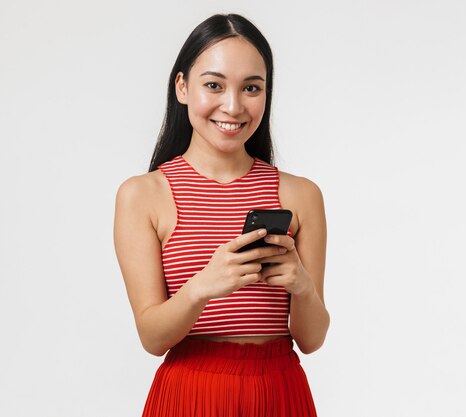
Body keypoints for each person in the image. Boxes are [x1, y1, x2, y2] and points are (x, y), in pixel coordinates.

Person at [114, 13, 330, 417]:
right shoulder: (143, 195)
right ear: (182, 87)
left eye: (251, 87)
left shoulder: (300, 195)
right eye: (213, 85)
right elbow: (152, 337)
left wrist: (302, 286)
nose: (233, 106)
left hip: (279, 391)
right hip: (191, 393)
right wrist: (202, 287)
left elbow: (312, 339)